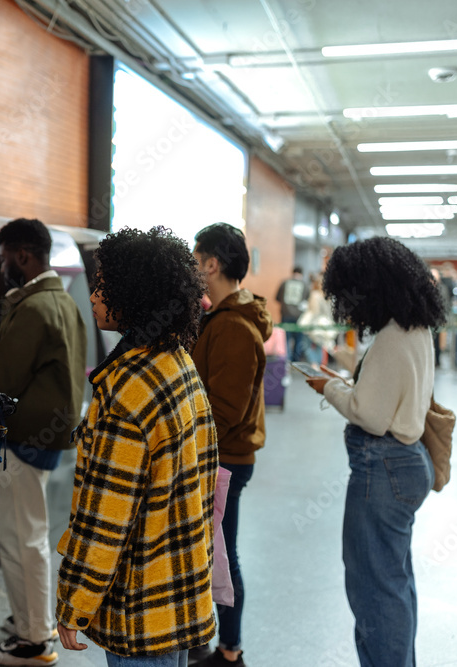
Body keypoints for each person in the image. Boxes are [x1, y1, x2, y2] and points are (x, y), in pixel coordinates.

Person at [56, 226, 218, 667]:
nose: (93, 296)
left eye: (103, 286)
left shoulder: (127, 391)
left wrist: (74, 602)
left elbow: (106, 517)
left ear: (134, 294)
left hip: (140, 605)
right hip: (178, 588)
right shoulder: (177, 362)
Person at [302, 237, 445, 667]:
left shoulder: (390, 340)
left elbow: (371, 415)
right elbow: (389, 393)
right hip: (408, 461)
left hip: (382, 468)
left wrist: (328, 388)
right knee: (394, 581)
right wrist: (347, 381)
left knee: (373, 590)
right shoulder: (414, 328)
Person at [0, 218, 87, 667]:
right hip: (47, 436)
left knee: (20, 539)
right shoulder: (63, 301)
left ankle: (35, 639)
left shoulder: (32, 309)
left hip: (23, 438)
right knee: (31, 534)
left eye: (4, 257)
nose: (2, 265)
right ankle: (31, 617)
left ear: (23, 256)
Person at [190, 223, 272, 667]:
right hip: (224, 455)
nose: (192, 268)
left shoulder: (234, 326)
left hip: (226, 458)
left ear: (212, 264)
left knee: (224, 556)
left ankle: (230, 650)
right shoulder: (221, 317)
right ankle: (214, 641)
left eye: (195, 259)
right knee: (213, 553)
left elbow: (225, 409)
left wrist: (189, 449)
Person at [276, 266, 309, 361]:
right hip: (300, 317)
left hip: (286, 315)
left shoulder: (284, 283)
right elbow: (307, 300)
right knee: (298, 340)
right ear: (301, 274)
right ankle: (296, 361)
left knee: (286, 339)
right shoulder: (305, 285)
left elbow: (277, 298)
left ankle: (286, 360)